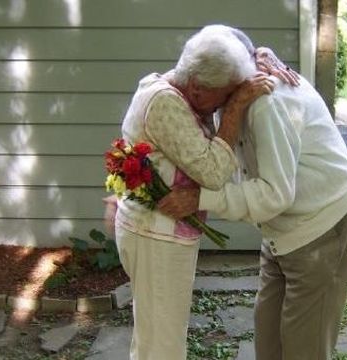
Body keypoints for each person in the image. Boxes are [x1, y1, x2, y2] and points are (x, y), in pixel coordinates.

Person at [158, 26, 347, 360]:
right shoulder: (231, 81)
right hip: (281, 232)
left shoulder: (265, 104)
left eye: (197, 95)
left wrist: (200, 200)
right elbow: (224, 41)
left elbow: (274, 195)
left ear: (231, 83)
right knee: (269, 345)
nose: (191, 100)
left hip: (323, 225)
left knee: (305, 349)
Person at [113, 27, 275, 360]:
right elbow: (214, 173)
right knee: (162, 347)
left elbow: (225, 35)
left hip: (158, 235)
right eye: (227, 94)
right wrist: (235, 109)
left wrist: (259, 55)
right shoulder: (166, 104)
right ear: (199, 89)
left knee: (155, 339)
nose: (232, 98)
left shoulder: (180, 88)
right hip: (156, 238)